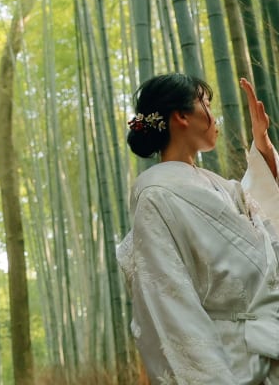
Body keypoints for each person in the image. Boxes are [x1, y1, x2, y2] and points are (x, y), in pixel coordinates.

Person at [117, 72, 279, 384]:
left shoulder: (222, 186)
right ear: (180, 116)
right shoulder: (155, 195)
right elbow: (170, 305)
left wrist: (264, 151)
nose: (214, 115)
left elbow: (267, 234)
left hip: (268, 348)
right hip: (229, 361)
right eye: (205, 103)